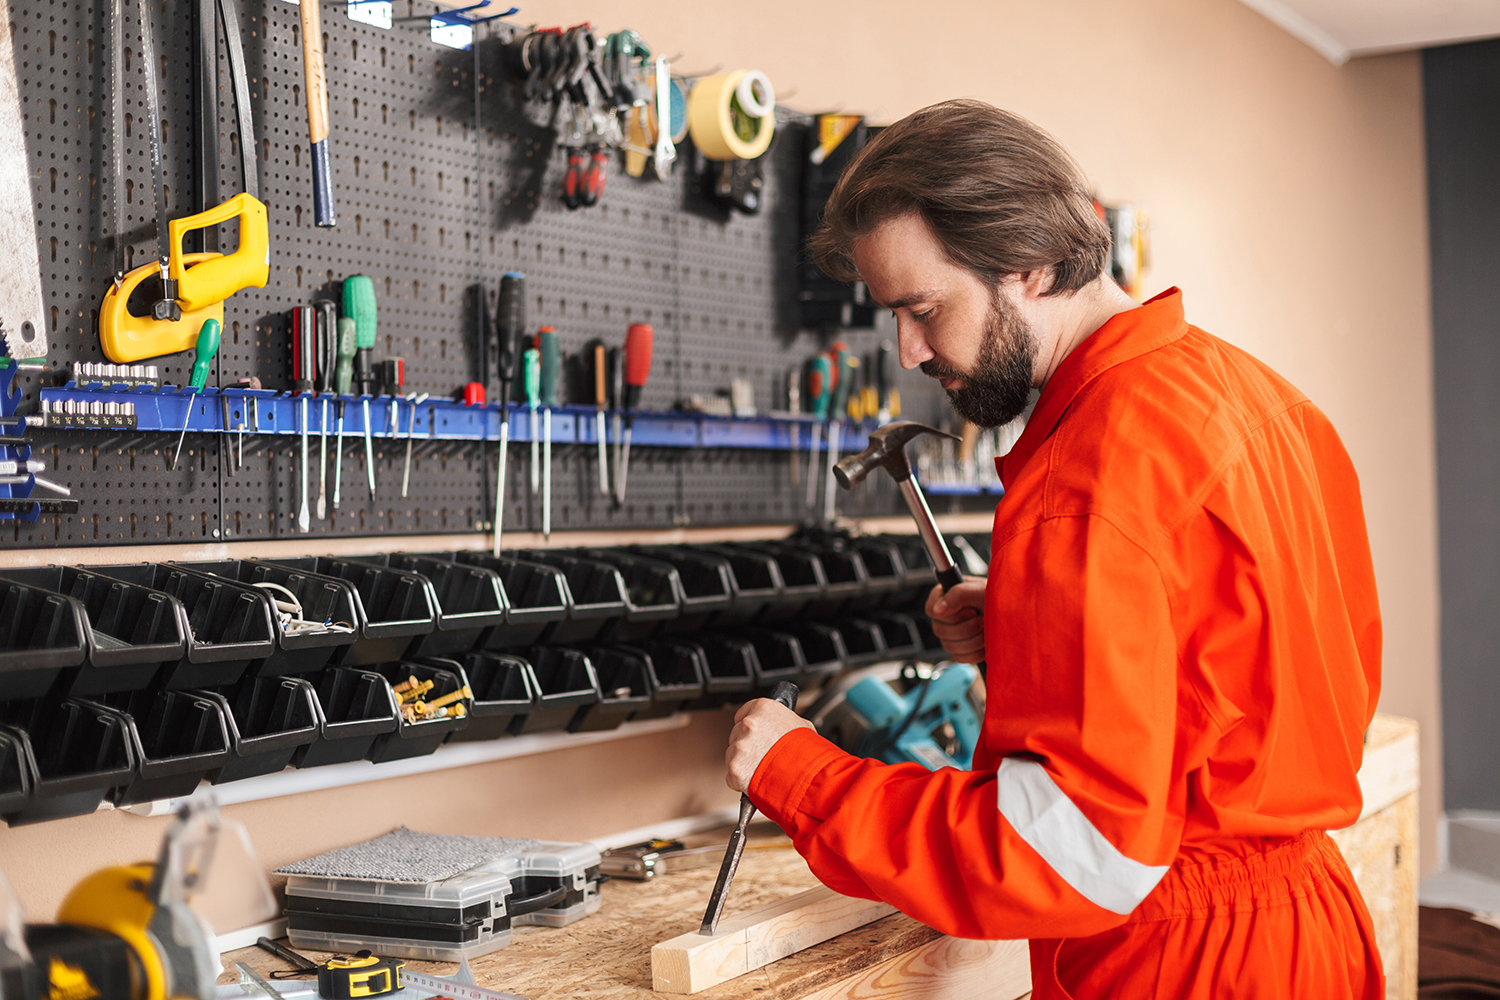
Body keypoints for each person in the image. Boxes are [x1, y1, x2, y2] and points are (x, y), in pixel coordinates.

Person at [724, 99, 1384, 999]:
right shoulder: (1264, 402)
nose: (908, 353)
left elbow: (1076, 855)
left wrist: (804, 776)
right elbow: (1260, 672)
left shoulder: (1089, 476)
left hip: (1179, 964)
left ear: (1029, 265)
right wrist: (1037, 634)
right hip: (1308, 933)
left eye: (921, 309)